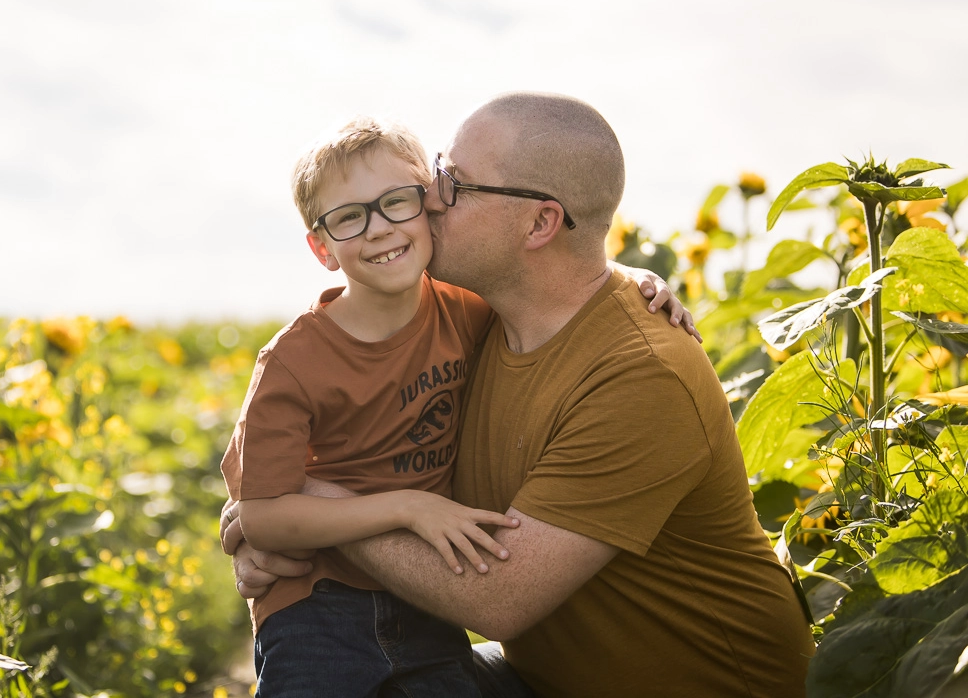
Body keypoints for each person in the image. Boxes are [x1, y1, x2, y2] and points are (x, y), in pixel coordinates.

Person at [224, 92, 815, 698]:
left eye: (453, 184)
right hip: (541, 680)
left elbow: (496, 596)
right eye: (435, 172)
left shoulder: (641, 375)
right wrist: (281, 520)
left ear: (539, 223)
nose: (429, 198)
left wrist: (312, 502)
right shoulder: (476, 324)